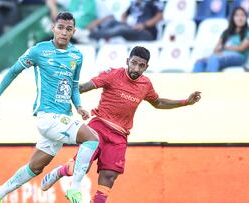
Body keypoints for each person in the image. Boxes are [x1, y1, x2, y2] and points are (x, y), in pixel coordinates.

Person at [40, 46, 202, 203]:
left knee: (109, 176)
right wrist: (62, 89)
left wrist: (185, 102)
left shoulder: (146, 85)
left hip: (119, 135)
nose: (136, 68)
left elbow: (158, 102)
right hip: (98, 128)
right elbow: (84, 87)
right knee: (81, 167)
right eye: (134, 63)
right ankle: (58, 173)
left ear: (146, 67)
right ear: (127, 60)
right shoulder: (112, 75)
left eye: (141, 65)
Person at [0, 12, 99, 203]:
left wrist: (79, 106)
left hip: (63, 117)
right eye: (60, 27)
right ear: (53, 28)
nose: (64, 32)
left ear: (74, 32)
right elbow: (14, 71)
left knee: (35, 167)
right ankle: (74, 190)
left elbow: (73, 85)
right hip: (48, 117)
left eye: (68, 29)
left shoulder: (76, 56)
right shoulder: (39, 51)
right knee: (92, 138)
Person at [193, 6, 249, 72]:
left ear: (245, 18)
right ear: (233, 18)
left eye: (242, 15)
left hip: (239, 57)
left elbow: (241, 48)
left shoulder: (247, 32)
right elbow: (216, 49)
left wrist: (225, 48)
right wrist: (218, 49)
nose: (240, 18)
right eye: (237, 15)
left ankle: (211, 81)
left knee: (214, 59)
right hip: (223, 56)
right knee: (200, 63)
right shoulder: (226, 32)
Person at [89, 0, 163, 41]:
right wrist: (124, 22)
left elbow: (159, 16)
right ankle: (95, 32)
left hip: (147, 33)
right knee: (112, 21)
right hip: (133, 30)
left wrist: (143, 25)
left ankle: (91, 36)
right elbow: (124, 15)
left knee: (121, 29)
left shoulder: (153, 1)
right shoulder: (134, 3)